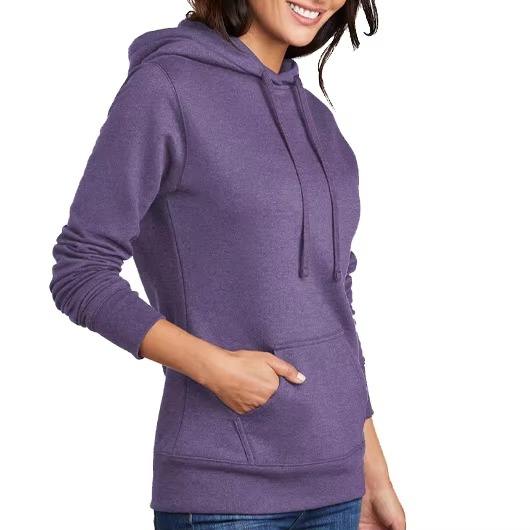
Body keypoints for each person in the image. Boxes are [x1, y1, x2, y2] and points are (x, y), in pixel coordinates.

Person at [49, 1, 406, 529]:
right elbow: (81, 270)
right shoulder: (166, 88)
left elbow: (334, 303)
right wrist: (214, 368)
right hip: (224, 491)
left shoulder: (318, 121)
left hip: (339, 486)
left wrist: (374, 473)